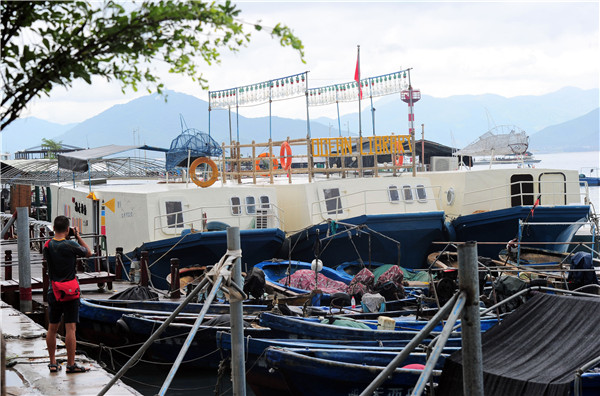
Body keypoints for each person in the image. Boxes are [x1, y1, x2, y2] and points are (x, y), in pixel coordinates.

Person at [44, 215, 92, 373]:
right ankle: (71, 364)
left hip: (54, 290)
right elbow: (88, 252)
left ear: (54, 228)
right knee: (71, 328)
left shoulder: (47, 245)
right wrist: (78, 236)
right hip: (71, 291)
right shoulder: (71, 244)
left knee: (52, 328)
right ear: (67, 229)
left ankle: (52, 363)